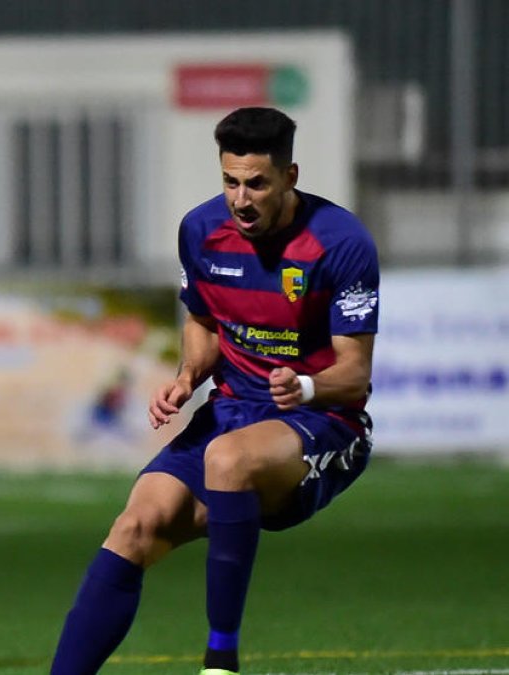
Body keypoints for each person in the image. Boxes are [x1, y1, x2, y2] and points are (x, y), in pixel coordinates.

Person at [50, 107, 379, 675]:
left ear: (290, 176)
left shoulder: (341, 242)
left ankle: (220, 661)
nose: (241, 199)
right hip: (229, 411)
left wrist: (303, 385)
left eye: (256, 184)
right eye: (230, 181)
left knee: (226, 462)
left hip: (320, 424)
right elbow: (203, 321)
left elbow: (355, 376)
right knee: (135, 527)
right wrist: (186, 377)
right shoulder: (200, 231)